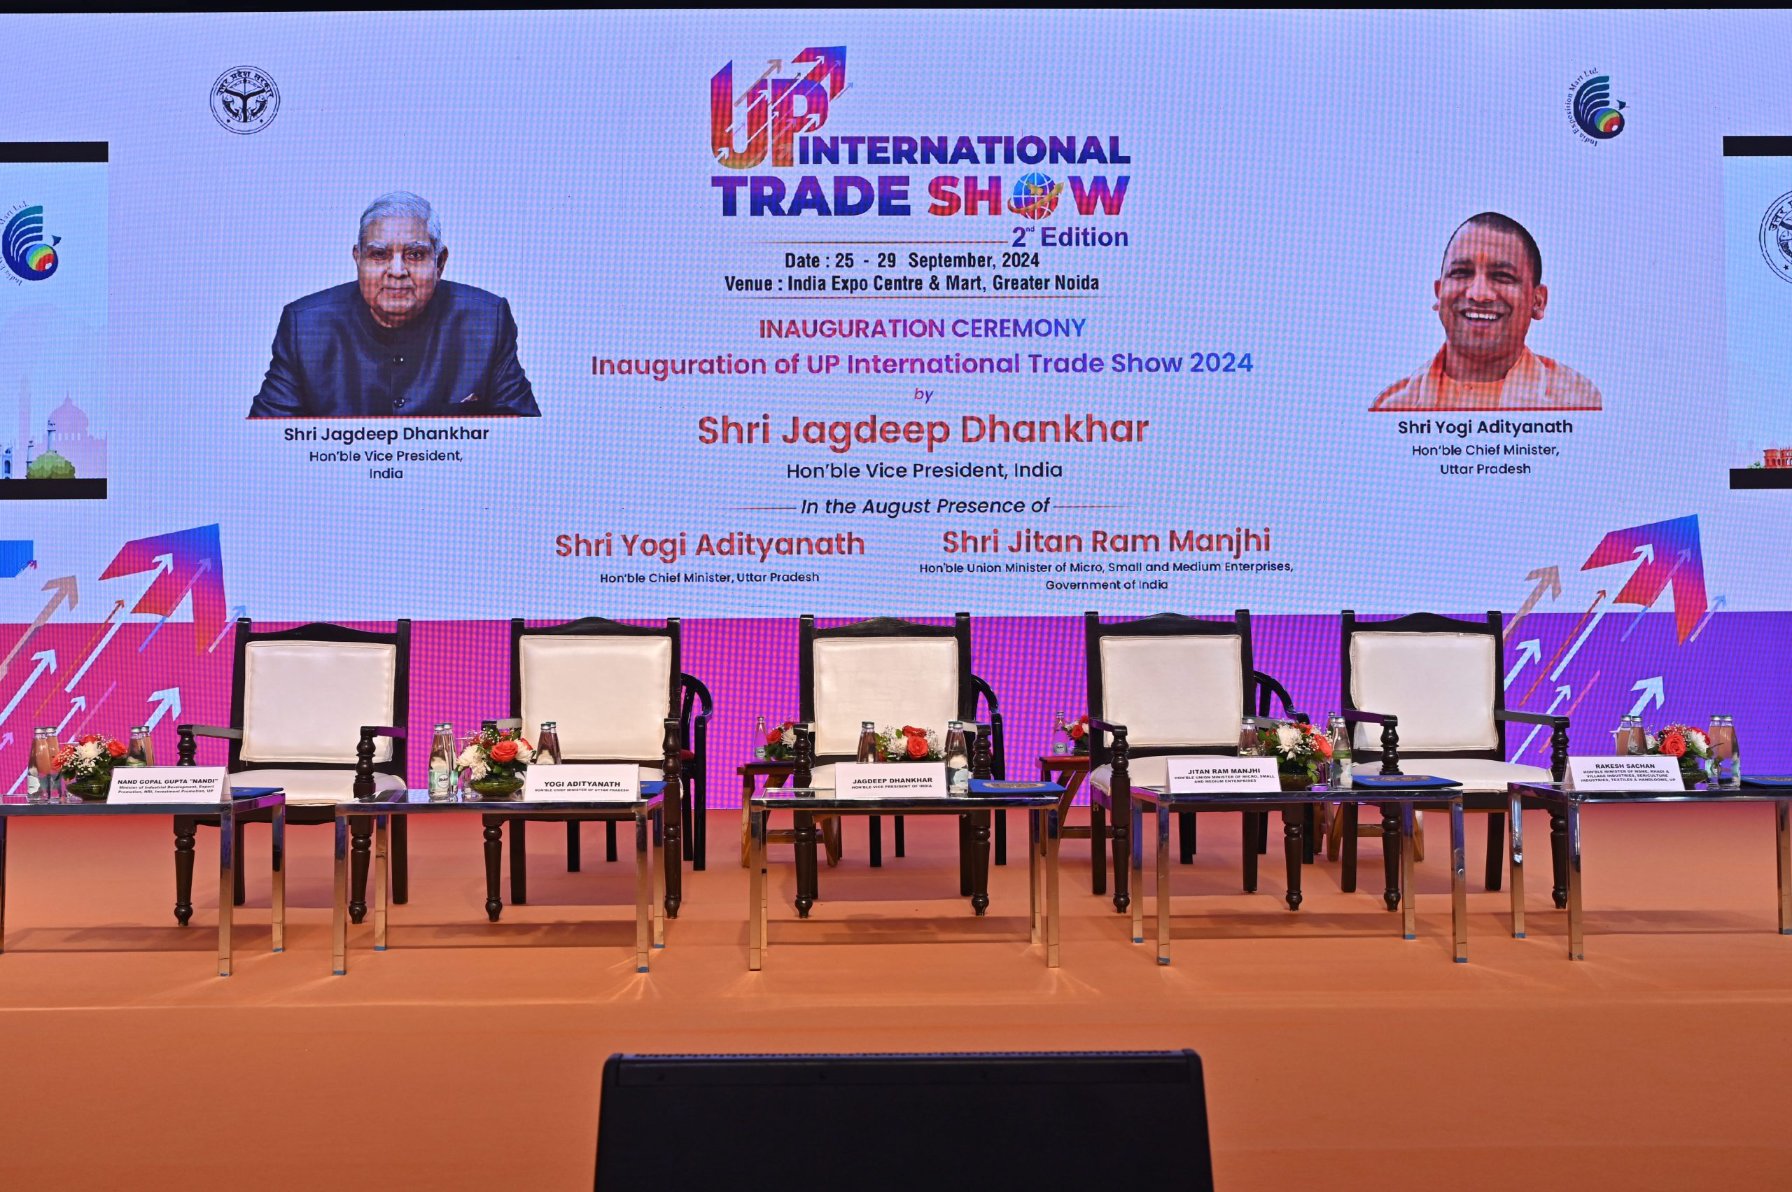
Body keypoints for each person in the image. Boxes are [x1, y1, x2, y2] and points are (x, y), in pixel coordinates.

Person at [248, 192, 538, 417]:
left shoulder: (486, 321)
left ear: (439, 263)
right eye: (379, 255)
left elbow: (521, 437)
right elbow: (268, 439)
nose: (397, 271)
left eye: (415, 255)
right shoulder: (305, 327)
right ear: (358, 260)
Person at [1371, 212, 1601, 412]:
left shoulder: (1577, 402)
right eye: (1461, 272)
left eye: (1502, 276)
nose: (1478, 294)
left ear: (1538, 301)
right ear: (1439, 294)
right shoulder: (1394, 406)